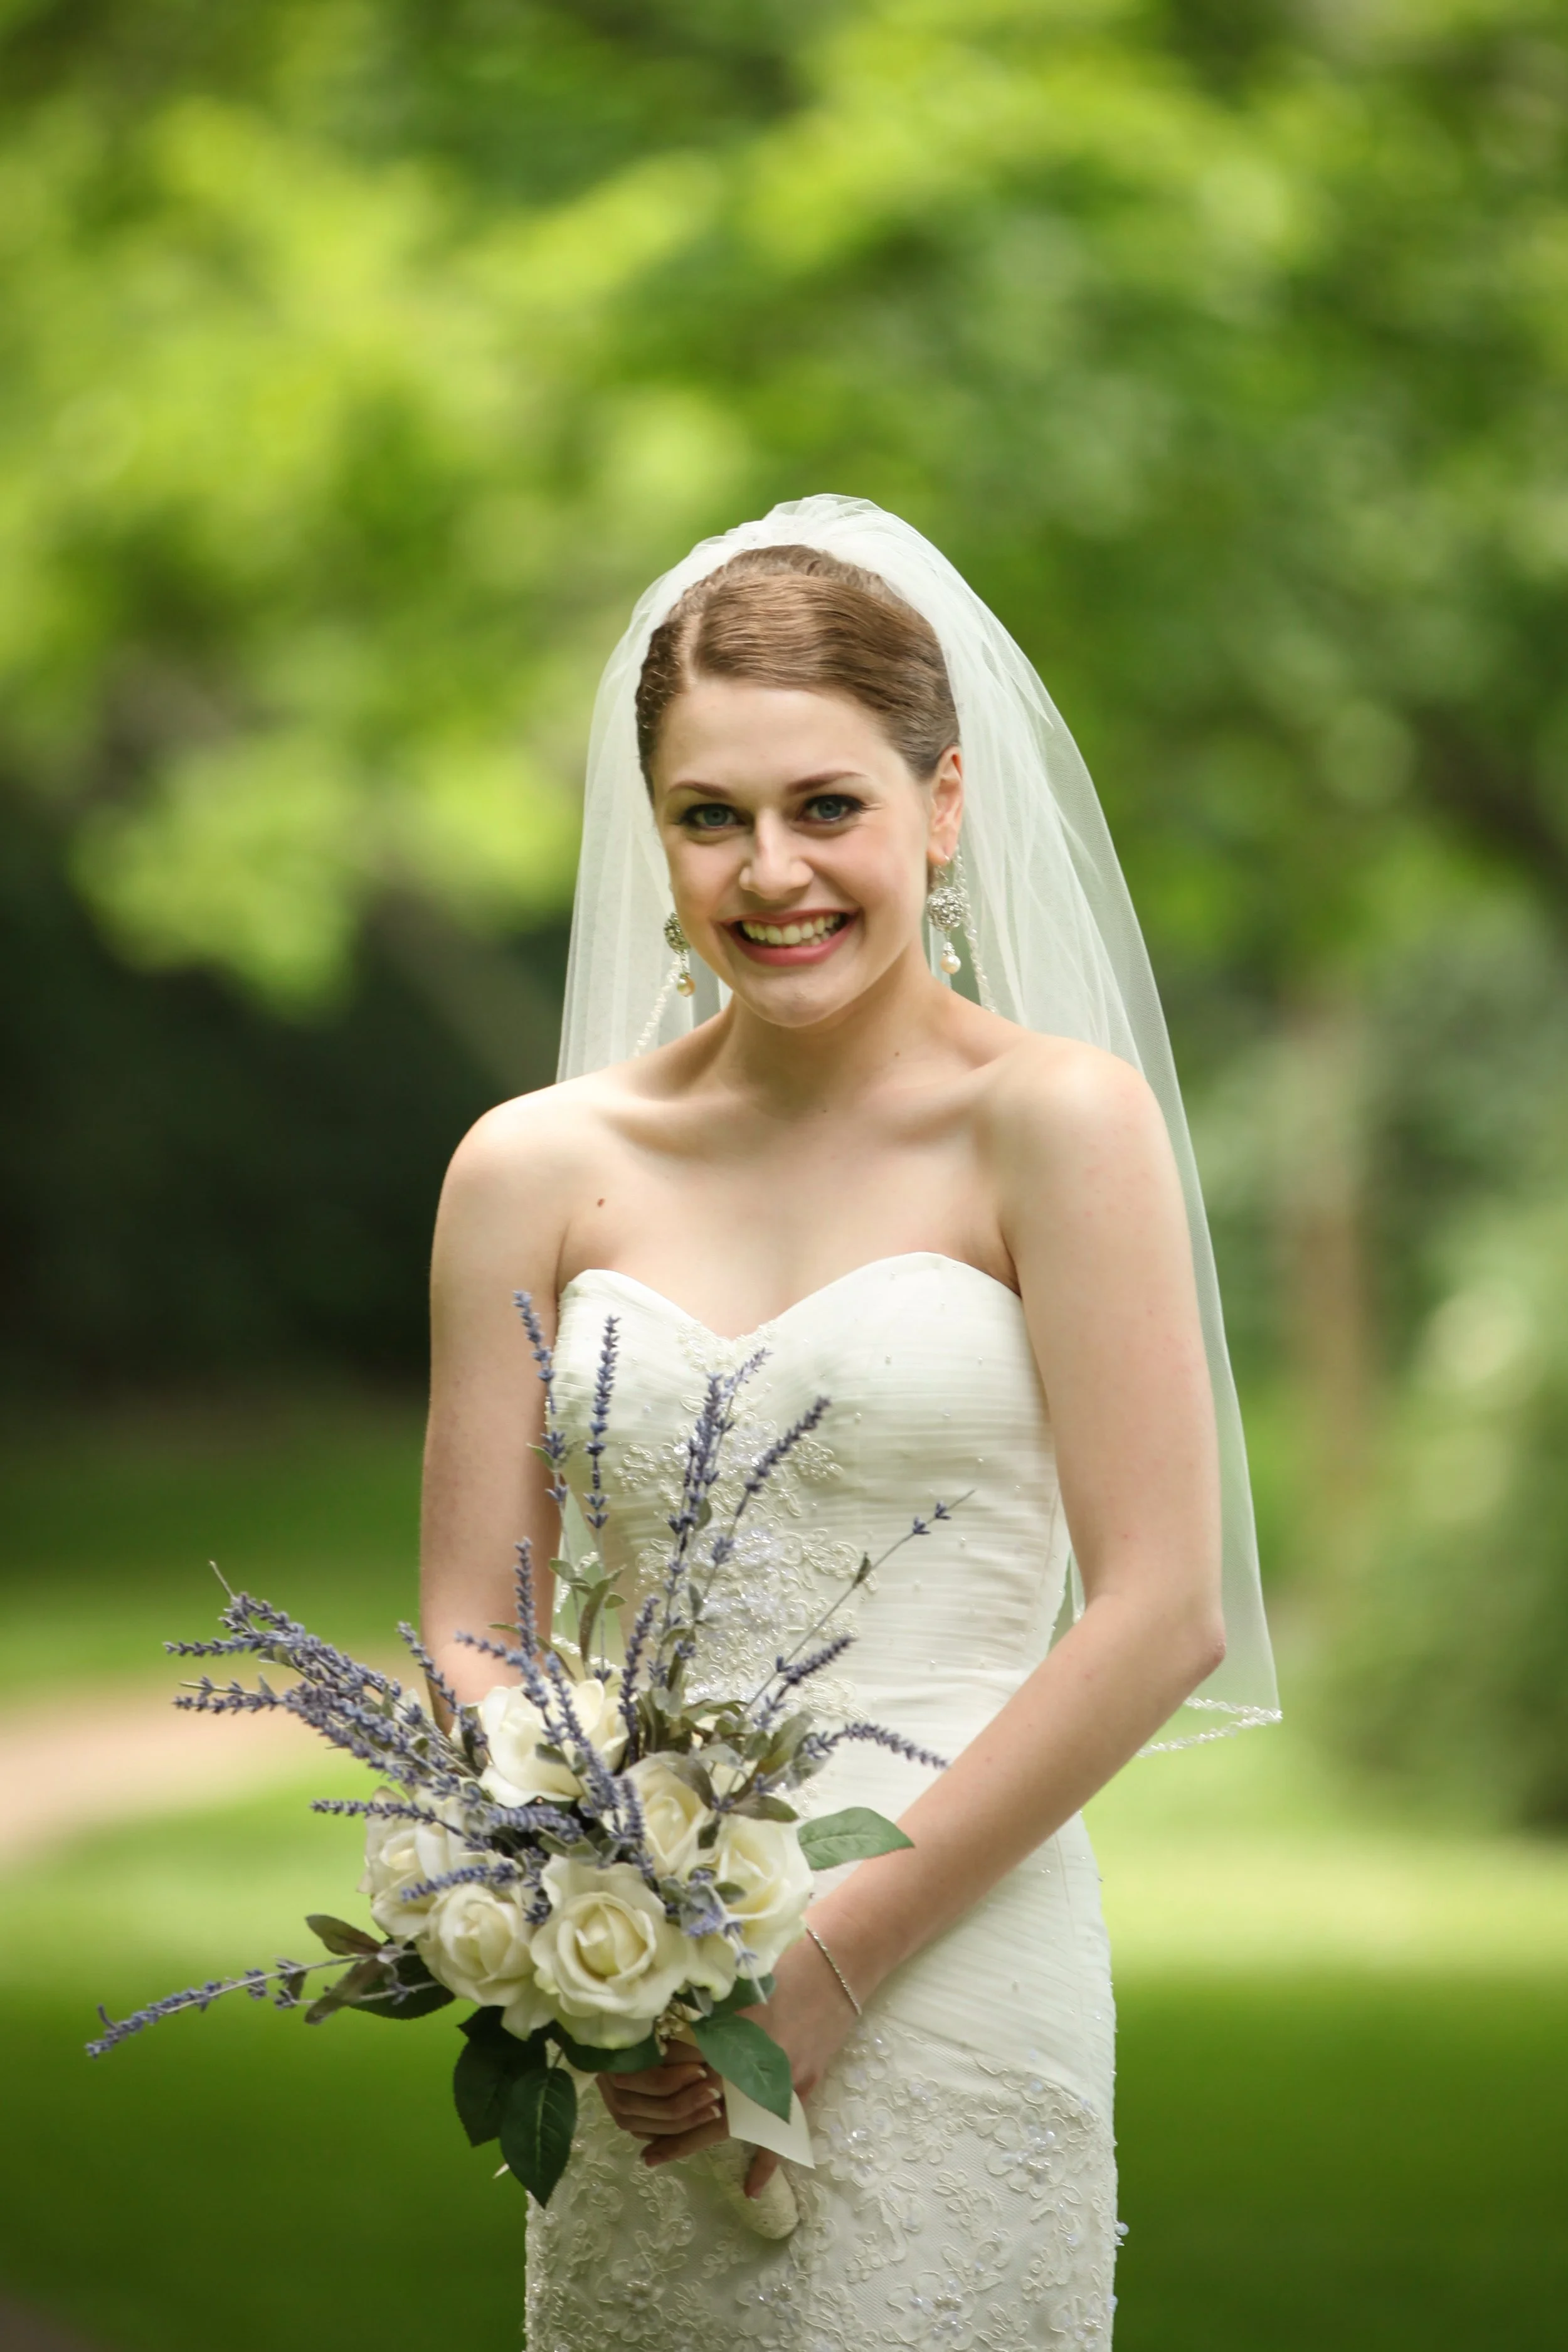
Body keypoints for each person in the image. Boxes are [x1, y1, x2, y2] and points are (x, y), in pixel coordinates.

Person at [420, 498, 1279, 2349]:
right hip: (640, 2012)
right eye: (708, 815)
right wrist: (591, 1895)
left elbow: (1160, 1613)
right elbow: (474, 1623)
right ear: (650, 831)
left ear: (942, 803)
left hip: (958, 1963)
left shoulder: (1056, 1127)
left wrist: (821, 1962)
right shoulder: (531, 1168)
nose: (770, 871)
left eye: (827, 807)